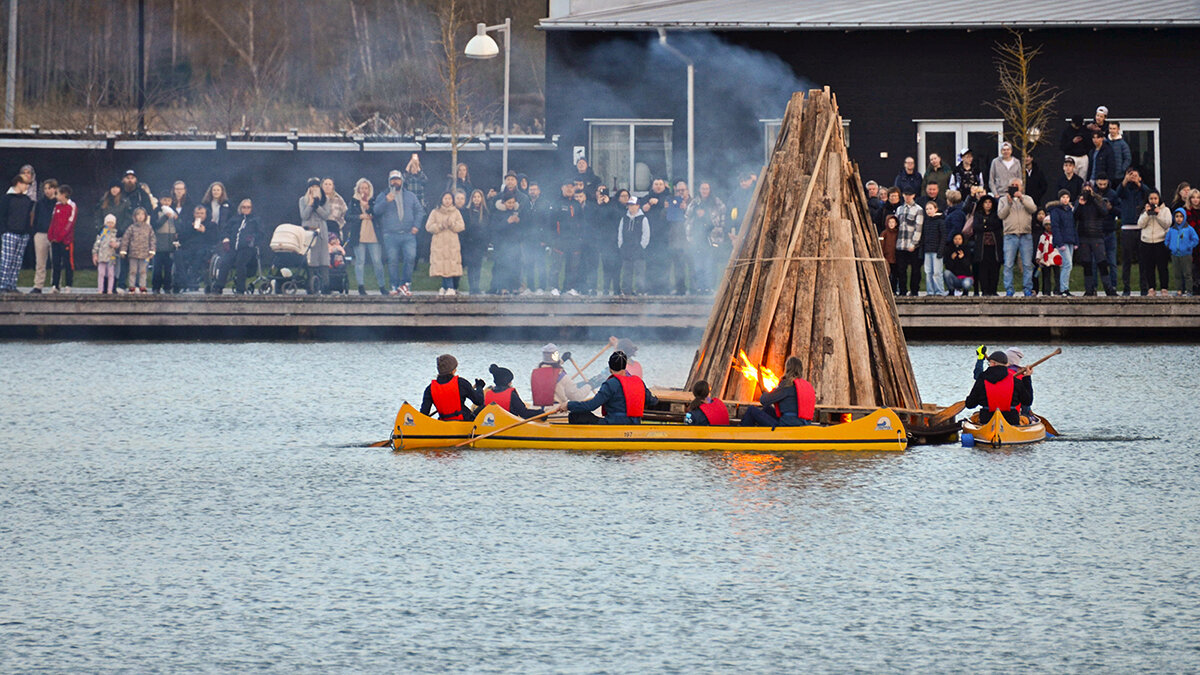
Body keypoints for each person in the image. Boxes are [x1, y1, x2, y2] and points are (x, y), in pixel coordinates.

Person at [566, 351, 657, 425]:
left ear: (610, 368)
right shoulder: (639, 382)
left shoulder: (609, 385)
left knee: (575, 415)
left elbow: (591, 406)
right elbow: (652, 401)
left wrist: (568, 405)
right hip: (634, 423)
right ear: (625, 366)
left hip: (613, 423)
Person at [373, 169, 424, 296]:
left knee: (410, 257)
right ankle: (394, 285)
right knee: (393, 260)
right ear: (389, 182)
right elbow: (376, 211)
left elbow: (419, 211)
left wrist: (416, 226)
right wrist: (386, 201)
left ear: (402, 181)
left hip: (408, 234)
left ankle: (405, 284)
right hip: (390, 234)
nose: (395, 182)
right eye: (393, 179)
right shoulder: (383, 195)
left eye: (397, 179)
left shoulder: (410, 195)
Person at [739, 356, 816, 427]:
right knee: (767, 409)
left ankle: (741, 436)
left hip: (787, 425)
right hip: (802, 423)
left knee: (751, 410)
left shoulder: (787, 384)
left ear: (787, 369)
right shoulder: (805, 385)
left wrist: (762, 386)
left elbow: (764, 400)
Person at [345, 178, 387, 295]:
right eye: (362, 188)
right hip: (359, 235)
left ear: (369, 189)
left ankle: (382, 286)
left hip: (373, 235)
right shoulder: (353, 202)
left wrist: (369, 208)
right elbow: (347, 217)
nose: (364, 190)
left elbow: (378, 214)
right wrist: (359, 216)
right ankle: (361, 287)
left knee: (377, 261)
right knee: (360, 261)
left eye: (366, 188)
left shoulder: (374, 201)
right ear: (358, 189)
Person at [965, 351, 1032, 425]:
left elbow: (970, 404)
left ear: (993, 363)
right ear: (1006, 364)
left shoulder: (982, 380)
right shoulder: (1015, 381)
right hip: (1011, 421)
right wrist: (1027, 378)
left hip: (987, 420)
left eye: (989, 363)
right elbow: (1027, 401)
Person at [1116, 168, 1153, 295]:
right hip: (1127, 229)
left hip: (1141, 229)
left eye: (1135, 175)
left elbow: (1150, 194)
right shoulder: (1125, 191)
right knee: (1127, 261)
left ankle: (1144, 288)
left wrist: (1139, 183)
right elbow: (1117, 194)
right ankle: (1126, 288)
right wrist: (1125, 180)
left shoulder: (1142, 191)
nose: (1133, 177)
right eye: (1131, 175)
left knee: (1143, 260)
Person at [214, 199, 262, 294]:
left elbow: (261, 234)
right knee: (225, 262)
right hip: (232, 247)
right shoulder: (234, 219)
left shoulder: (255, 220)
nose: (246, 209)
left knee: (241, 263)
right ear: (240, 208)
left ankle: (240, 289)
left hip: (247, 248)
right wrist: (225, 239)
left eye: (248, 207)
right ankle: (218, 287)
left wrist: (252, 238)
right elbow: (225, 231)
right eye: (244, 207)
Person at [999, 179, 1037, 296]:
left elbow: (1033, 209)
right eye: (1012, 185)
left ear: (1021, 187)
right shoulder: (1003, 200)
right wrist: (1009, 204)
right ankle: (1009, 289)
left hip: (1025, 235)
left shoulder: (1027, 198)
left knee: (1027, 264)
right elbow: (1001, 215)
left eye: (1017, 185)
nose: (1015, 187)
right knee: (1008, 264)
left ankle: (1027, 289)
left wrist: (1022, 199)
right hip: (1010, 235)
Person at [1074, 184, 1115, 296]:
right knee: (1086, 264)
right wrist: (1081, 204)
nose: (1087, 191)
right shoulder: (1080, 201)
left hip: (1097, 236)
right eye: (1085, 189)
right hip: (1083, 236)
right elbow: (1075, 216)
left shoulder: (1098, 199)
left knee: (1102, 262)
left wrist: (1093, 200)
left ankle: (1109, 288)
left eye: (1089, 189)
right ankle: (1089, 289)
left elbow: (1104, 212)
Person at [686, 182, 725, 294]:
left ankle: (710, 287)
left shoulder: (717, 203)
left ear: (710, 189)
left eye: (707, 188)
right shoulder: (694, 204)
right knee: (698, 265)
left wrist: (719, 236)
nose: (704, 191)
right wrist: (690, 238)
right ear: (699, 189)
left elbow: (721, 222)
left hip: (711, 239)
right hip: (697, 240)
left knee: (710, 264)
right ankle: (699, 287)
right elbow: (688, 221)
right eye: (702, 188)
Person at [420, 354, 486, 421]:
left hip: (444, 423)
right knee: (484, 407)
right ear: (453, 370)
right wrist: (479, 387)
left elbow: (423, 414)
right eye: (455, 368)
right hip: (464, 423)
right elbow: (479, 401)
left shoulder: (430, 389)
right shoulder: (461, 383)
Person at [0, 175, 35, 292]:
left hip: (23, 234)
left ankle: (12, 284)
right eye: (25, 184)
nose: (26, 187)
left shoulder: (27, 200)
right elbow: (2, 215)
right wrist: (4, 231)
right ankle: (3, 285)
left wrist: (27, 233)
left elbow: (27, 217)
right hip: (10, 232)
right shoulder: (7, 198)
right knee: (7, 260)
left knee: (17, 261)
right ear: (18, 183)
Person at [426, 191, 465, 296]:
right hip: (439, 244)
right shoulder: (435, 212)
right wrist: (440, 226)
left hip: (452, 244)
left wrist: (452, 224)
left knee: (450, 265)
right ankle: (448, 287)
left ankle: (447, 287)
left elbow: (461, 226)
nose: (447, 201)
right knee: (442, 265)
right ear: (441, 199)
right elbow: (428, 227)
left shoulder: (456, 212)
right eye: (445, 199)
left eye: (449, 199)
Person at [299, 177, 332, 294]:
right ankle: (311, 286)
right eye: (312, 187)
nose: (314, 189)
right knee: (311, 259)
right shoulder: (303, 200)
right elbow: (304, 216)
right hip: (308, 232)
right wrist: (311, 204)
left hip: (321, 232)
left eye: (316, 187)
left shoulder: (325, 200)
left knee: (323, 258)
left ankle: (325, 286)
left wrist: (317, 206)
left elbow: (326, 215)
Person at [1137, 191, 1172, 296]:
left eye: (1155, 198)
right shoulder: (1144, 210)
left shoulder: (1165, 210)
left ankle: (1164, 288)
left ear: (1159, 199)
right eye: (1151, 199)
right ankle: (1151, 288)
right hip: (1146, 242)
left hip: (1160, 241)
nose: (1153, 201)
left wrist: (1158, 214)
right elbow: (1140, 224)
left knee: (1162, 266)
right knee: (1149, 267)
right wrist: (1147, 214)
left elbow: (1167, 224)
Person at [174, 205, 215, 293]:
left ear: (206, 214)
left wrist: (205, 231)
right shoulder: (188, 224)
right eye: (197, 213)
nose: (199, 215)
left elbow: (215, 239)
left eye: (202, 213)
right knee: (178, 254)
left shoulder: (212, 225)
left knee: (199, 254)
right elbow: (181, 237)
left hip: (204, 248)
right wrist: (191, 229)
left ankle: (193, 278)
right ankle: (183, 279)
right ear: (194, 214)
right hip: (189, 248)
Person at [490, 194, 524, 294]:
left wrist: (519, 222)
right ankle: (502, 287)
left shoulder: (517, 213)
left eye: (513, 203)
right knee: (502, 266)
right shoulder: (497, 213)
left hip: (514, 245)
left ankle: (514, 287)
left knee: (515, 266)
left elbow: (522, 230)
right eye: (509, 202)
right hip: (502, 245)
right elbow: (494, 228)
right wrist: (507, 222)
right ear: (504, 203)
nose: (511, 205)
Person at [460, 189, 490, 295]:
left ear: (482, 198)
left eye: (478, 197)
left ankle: (476, 286)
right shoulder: (467, 212)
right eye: (475, 197)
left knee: (478, 265)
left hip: (480, 244)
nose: (476, 199)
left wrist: (485, 243)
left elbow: (487, 229)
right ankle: (472, 287)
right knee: (471, 266)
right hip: (469, 243)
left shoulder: (485, 213)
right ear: (471, 199)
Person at [47, 184, 76, 293]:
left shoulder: (72, 206)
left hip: (66, 241)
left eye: (58, 193)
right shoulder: (57, 206)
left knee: (68, 263)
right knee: (56, 263)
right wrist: (50, 235)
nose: (56, 196)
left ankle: (68, 285)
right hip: (55, 241)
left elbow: (70, 223)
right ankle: (55, 285)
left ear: (64, 194)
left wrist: (60, 236)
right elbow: (53, 221)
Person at [894, 188, 924, 296]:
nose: (907, 197)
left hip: (912, 246)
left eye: (909, 195)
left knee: (915, 270)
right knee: (901, 270)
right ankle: (902, 291)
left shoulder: (918, 209)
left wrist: (914, 243)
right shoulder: (899, 209)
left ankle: (914, 291)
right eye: (906, 194)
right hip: (900, 244)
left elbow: (918, 228)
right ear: (902, 195)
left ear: (914, 195)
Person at [1048, 190, 1077, 295]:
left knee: (1069, 265)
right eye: (1063, 197)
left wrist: (1075, 241)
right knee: (1067, 264)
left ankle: (1064, 288)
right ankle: (1063, 289)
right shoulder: (1055, 211)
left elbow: (1073, 227)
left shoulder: (1070, 211)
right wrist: (1059, 243)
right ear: (1060, 198)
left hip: (1070, 241)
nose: (1065, 199)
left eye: (1067, 197)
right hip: (1062, 242)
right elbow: (1055, 227)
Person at [972, 194, 1003, 296]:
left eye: (989, 202)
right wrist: (987, 225)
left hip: (994, 247)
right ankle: (984, 290)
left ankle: (993, 290)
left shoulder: (996, 214)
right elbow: (977, 227)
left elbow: (997, 225)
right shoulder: (978, 214)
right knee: (983, 270)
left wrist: (985, 225)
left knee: (994, 269)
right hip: (982, 247)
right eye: (985, 202)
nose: (988, 205)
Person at [618, 195, 649, 295]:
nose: (631, 207)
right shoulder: (624, 218)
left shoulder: (643, 218)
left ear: (638, 206)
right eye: (629, 205)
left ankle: (640, 290)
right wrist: (621, 245)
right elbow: (620, 232)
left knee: (639, 271)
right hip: (627, 248)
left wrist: (642, 246)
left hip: (638, 249)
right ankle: (626, 290)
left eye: (633, 205)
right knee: (627, 270)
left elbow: (646, 234)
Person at [119, 207, 155, 293]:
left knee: (143, 271)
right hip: (133, 254)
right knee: (133, 271)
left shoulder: (148, 228)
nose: (140, 216)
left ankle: (142, 286)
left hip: (144, 254)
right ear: (134, 216)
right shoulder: (131, 228)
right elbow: (125, 239)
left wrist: (152, 250)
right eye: (138, 214)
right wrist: (123, 250)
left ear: (145, 216)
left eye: (142, 214)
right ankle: (132, 286)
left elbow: (152, 239)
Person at [30, 179, 57, 293]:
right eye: (45, 188)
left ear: (55, 189)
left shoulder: (58, 203)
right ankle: (38, 285)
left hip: (55, 235)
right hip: (41, 234)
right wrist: (35, 231)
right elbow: (35, 218)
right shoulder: (40, 203)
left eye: (50, 188)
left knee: (55, 262)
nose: (47, 191)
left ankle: (56, 285)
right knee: (40, 262)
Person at [1166, 208, 1198, 296]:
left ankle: (1189, 290)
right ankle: (1179, 290)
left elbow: (1195, 239)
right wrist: (1170, 246)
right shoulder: (1172, 229)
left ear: (1184, 217)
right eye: (1177, 216)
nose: (1179, 218)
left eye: (1181, 216)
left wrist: (1189, 246)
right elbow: (1167, 240)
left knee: (1187, 273)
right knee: (1177, 274)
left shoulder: (1189, 229)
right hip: (1175, 254)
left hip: (1186, 255)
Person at [151, 194, 178, 294]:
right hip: (159, 244)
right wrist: (165, 217)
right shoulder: (156, 211)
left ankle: (167, 286)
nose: (166, 202)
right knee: (157, 267)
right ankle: (156, 286)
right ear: (160, 200)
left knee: (168, 267)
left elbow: (178, 225)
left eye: (168, 200)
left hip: (170, 244)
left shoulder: (174, 212)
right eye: (164, 200)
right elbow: (155, 225)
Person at [921, 200, 946, 296]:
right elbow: (924, 237)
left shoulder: (940, 221)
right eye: (927, 209)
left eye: (930, 208)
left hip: (936, 250)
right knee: (928, 272)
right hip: (927, 250)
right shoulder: (926, 222)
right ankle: (930, 291)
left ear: (935, 209)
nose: (928, 211)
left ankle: (939, 291)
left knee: (937, 272)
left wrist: (941, 250)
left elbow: (943, 237)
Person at [92, 214, 120, 294]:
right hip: (101, 256)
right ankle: (100, 289)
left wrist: (116, 245)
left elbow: (120, 242)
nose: (110, 225)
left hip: (111, 257)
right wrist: (95, 254)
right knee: (101, 274)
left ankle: (110, 290)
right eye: (108, 223)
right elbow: (97, 244)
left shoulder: (116, 233)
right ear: (105, 223)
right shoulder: (102, 233)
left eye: (112, 223)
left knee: (111, 274)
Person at [1035, 216, 1062, 297]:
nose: (1049, 226)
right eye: (1046, 225)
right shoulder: (1043, 236)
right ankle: (1046, 291)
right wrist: (1038, 257)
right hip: (1046, 259)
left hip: (1056, 258)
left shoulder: (1057, 235)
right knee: (1046, 275)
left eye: (1050, 224)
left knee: (1057, 275)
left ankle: (1057, 290)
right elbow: (1040, 248)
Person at [1059, 116, 1091, 180]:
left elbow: (1089, 143)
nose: (1077, 127)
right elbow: (1062, 147)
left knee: (1083, 178)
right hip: (1071, 156)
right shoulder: (1066, 132)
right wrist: (1072, 142)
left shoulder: (1084, 130)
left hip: (1083, 157)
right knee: (1070, 177)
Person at [882, 214, 899, 293]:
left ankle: (894, 290)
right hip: (887, 257)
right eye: (890, 222)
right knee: (887, 274)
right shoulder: (884, 233)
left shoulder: (898, 233)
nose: (891, 224)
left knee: (895, 275)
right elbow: (881, 244)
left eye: (893, 222)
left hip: (895, 257)